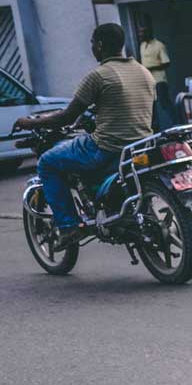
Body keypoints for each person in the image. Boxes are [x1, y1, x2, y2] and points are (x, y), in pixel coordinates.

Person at [14, 24, 156, 249]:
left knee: (48, 162)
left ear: (99, 45)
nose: (91, 47)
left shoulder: (99, 76)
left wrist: (29, 122)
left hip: (106, 148)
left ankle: (69, 227)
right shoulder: (143, 72)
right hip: (140, 145)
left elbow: (67, 117)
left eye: (92, 43)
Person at [138, 19, 174, 129]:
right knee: (151, 105)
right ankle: (155, 128)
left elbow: (166, 63)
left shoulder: (159, 45)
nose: (141, 34)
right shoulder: (142, 45)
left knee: (164, 103)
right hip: (148, 82)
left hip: (159, 80)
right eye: (140, 32)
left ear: (149, 32)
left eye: (144, 32)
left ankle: (175, 123)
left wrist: (150, 68)